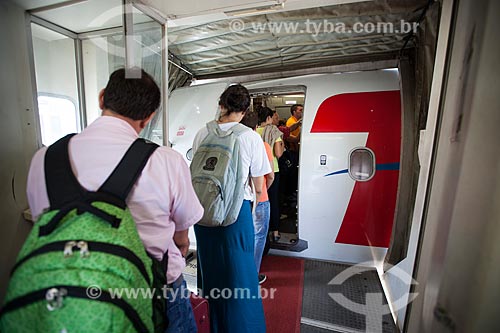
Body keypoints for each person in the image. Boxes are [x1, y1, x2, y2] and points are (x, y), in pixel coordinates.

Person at [26, 68, 204, 333]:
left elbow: (43, 221)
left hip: (66, 289)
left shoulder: (44, 159)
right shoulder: (166, 160)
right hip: (155, 290)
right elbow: (182, 235)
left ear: (101, 98)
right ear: (149, 117)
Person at [192, 84, 271, 333]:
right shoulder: (249, 137)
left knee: (210, 270)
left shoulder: (201, 133)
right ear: (246, 109)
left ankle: (212, 323)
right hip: (235, 217)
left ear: (221, 104)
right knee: (240, 274)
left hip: (203, 213)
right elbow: (259, 187)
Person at [241, 110, 274, 284]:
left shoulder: (235, 143)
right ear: (256, 126)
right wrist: (262, 191)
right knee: (259, 236)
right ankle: (252, 274)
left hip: (240, 201)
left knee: (244, 236)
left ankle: (241, 272)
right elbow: (270, 176)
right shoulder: (263, 145)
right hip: (259, 199)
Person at [258, 107, 284, 242]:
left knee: (260, 201)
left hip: (257, 172)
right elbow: (279, 153)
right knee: (273, 201)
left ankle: (262, 229)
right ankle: (275, 232)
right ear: (268, 118)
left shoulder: (253, 131)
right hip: (272, 170)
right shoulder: (274, 131)